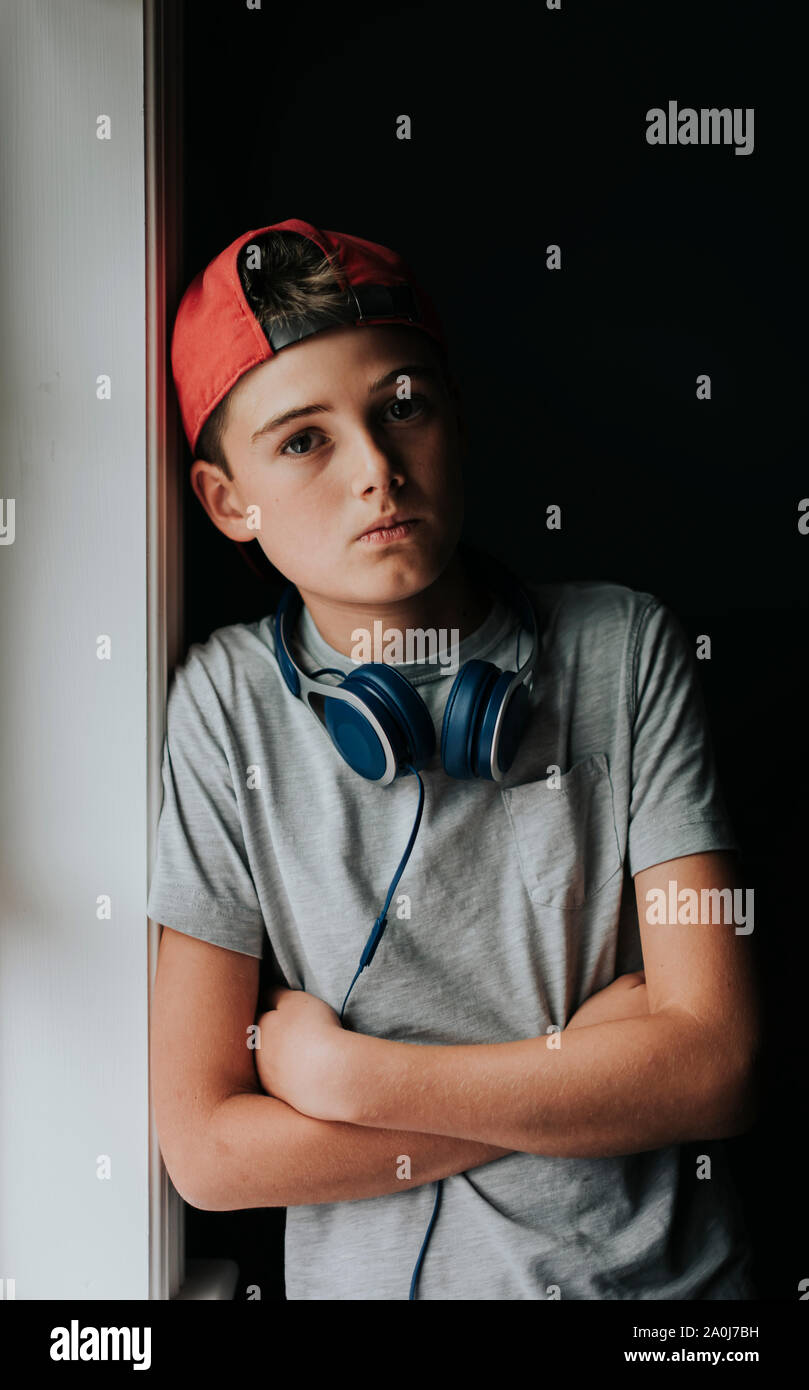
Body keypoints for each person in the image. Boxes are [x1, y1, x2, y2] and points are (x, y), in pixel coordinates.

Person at [148, 218, 760, 1300]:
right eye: (303, 440)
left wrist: (349, 1077)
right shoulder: (223, 708)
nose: (375, 470)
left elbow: (711, 1067)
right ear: (225, 501)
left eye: (401, 406)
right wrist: (588, 1075)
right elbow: (209, 1153)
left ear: (453, 415)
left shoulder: (624, 649)